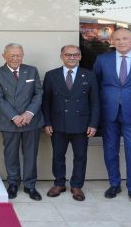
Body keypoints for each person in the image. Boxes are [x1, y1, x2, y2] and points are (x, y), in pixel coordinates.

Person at [93, 28, 131, 206]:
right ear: (112, 40)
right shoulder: (102, 59)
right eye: (117, 39)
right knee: (110, 150)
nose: (121, 42)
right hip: (108, 112)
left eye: (125, 38)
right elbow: (95, 85)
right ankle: (114, 184)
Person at [42, 45, 99, 201]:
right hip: (57, 123)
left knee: (80, 156)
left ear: (80, 57)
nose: (72, 57)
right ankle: (59, 183)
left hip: (82, 124)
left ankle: (76, 186)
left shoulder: (89, 75)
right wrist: (46, 122)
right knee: (58, 156)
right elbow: (45, 102)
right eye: (68, 54)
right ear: (62, 56)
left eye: (75, 55)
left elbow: (95, 102)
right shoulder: (51, 75)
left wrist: (93, 124)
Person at [0, 43, 44, 200]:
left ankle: (30, 186)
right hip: (9, 121)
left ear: (23, 55)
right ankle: (13, 183)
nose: (16, 58)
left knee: (31, 154)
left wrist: (28, 113)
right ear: (4, 56)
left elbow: (38, 94)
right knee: (11, 154)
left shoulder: (32, 70)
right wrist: (15, 116)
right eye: (12, 55)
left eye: (19, 55)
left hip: (31, 121)